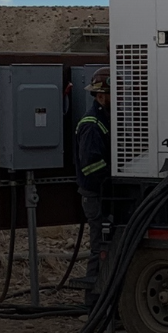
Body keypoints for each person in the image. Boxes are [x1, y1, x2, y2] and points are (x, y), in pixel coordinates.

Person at [71, 68, 112, 292]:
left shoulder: (105, 119)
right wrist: (113, 182)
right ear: (100, 96)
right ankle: (94, 302)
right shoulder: (91, 124)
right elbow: (91, 166)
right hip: (96, 196)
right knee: (100, 248)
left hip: (101, 194)